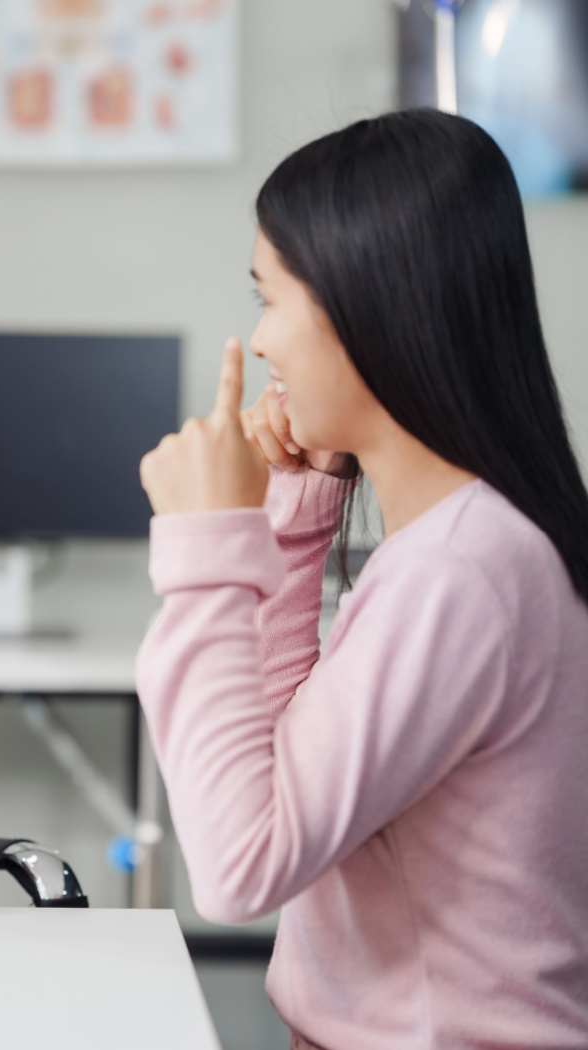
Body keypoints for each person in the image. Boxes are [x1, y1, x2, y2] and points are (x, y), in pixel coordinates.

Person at [137, 109, 588, 1049]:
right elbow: (297, 780)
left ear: (362, 306)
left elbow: (239, 866)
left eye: (269, 297)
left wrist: (206, 546)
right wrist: (296, 513)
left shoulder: (462, 572)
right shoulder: (461, 547)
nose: (259, 343)